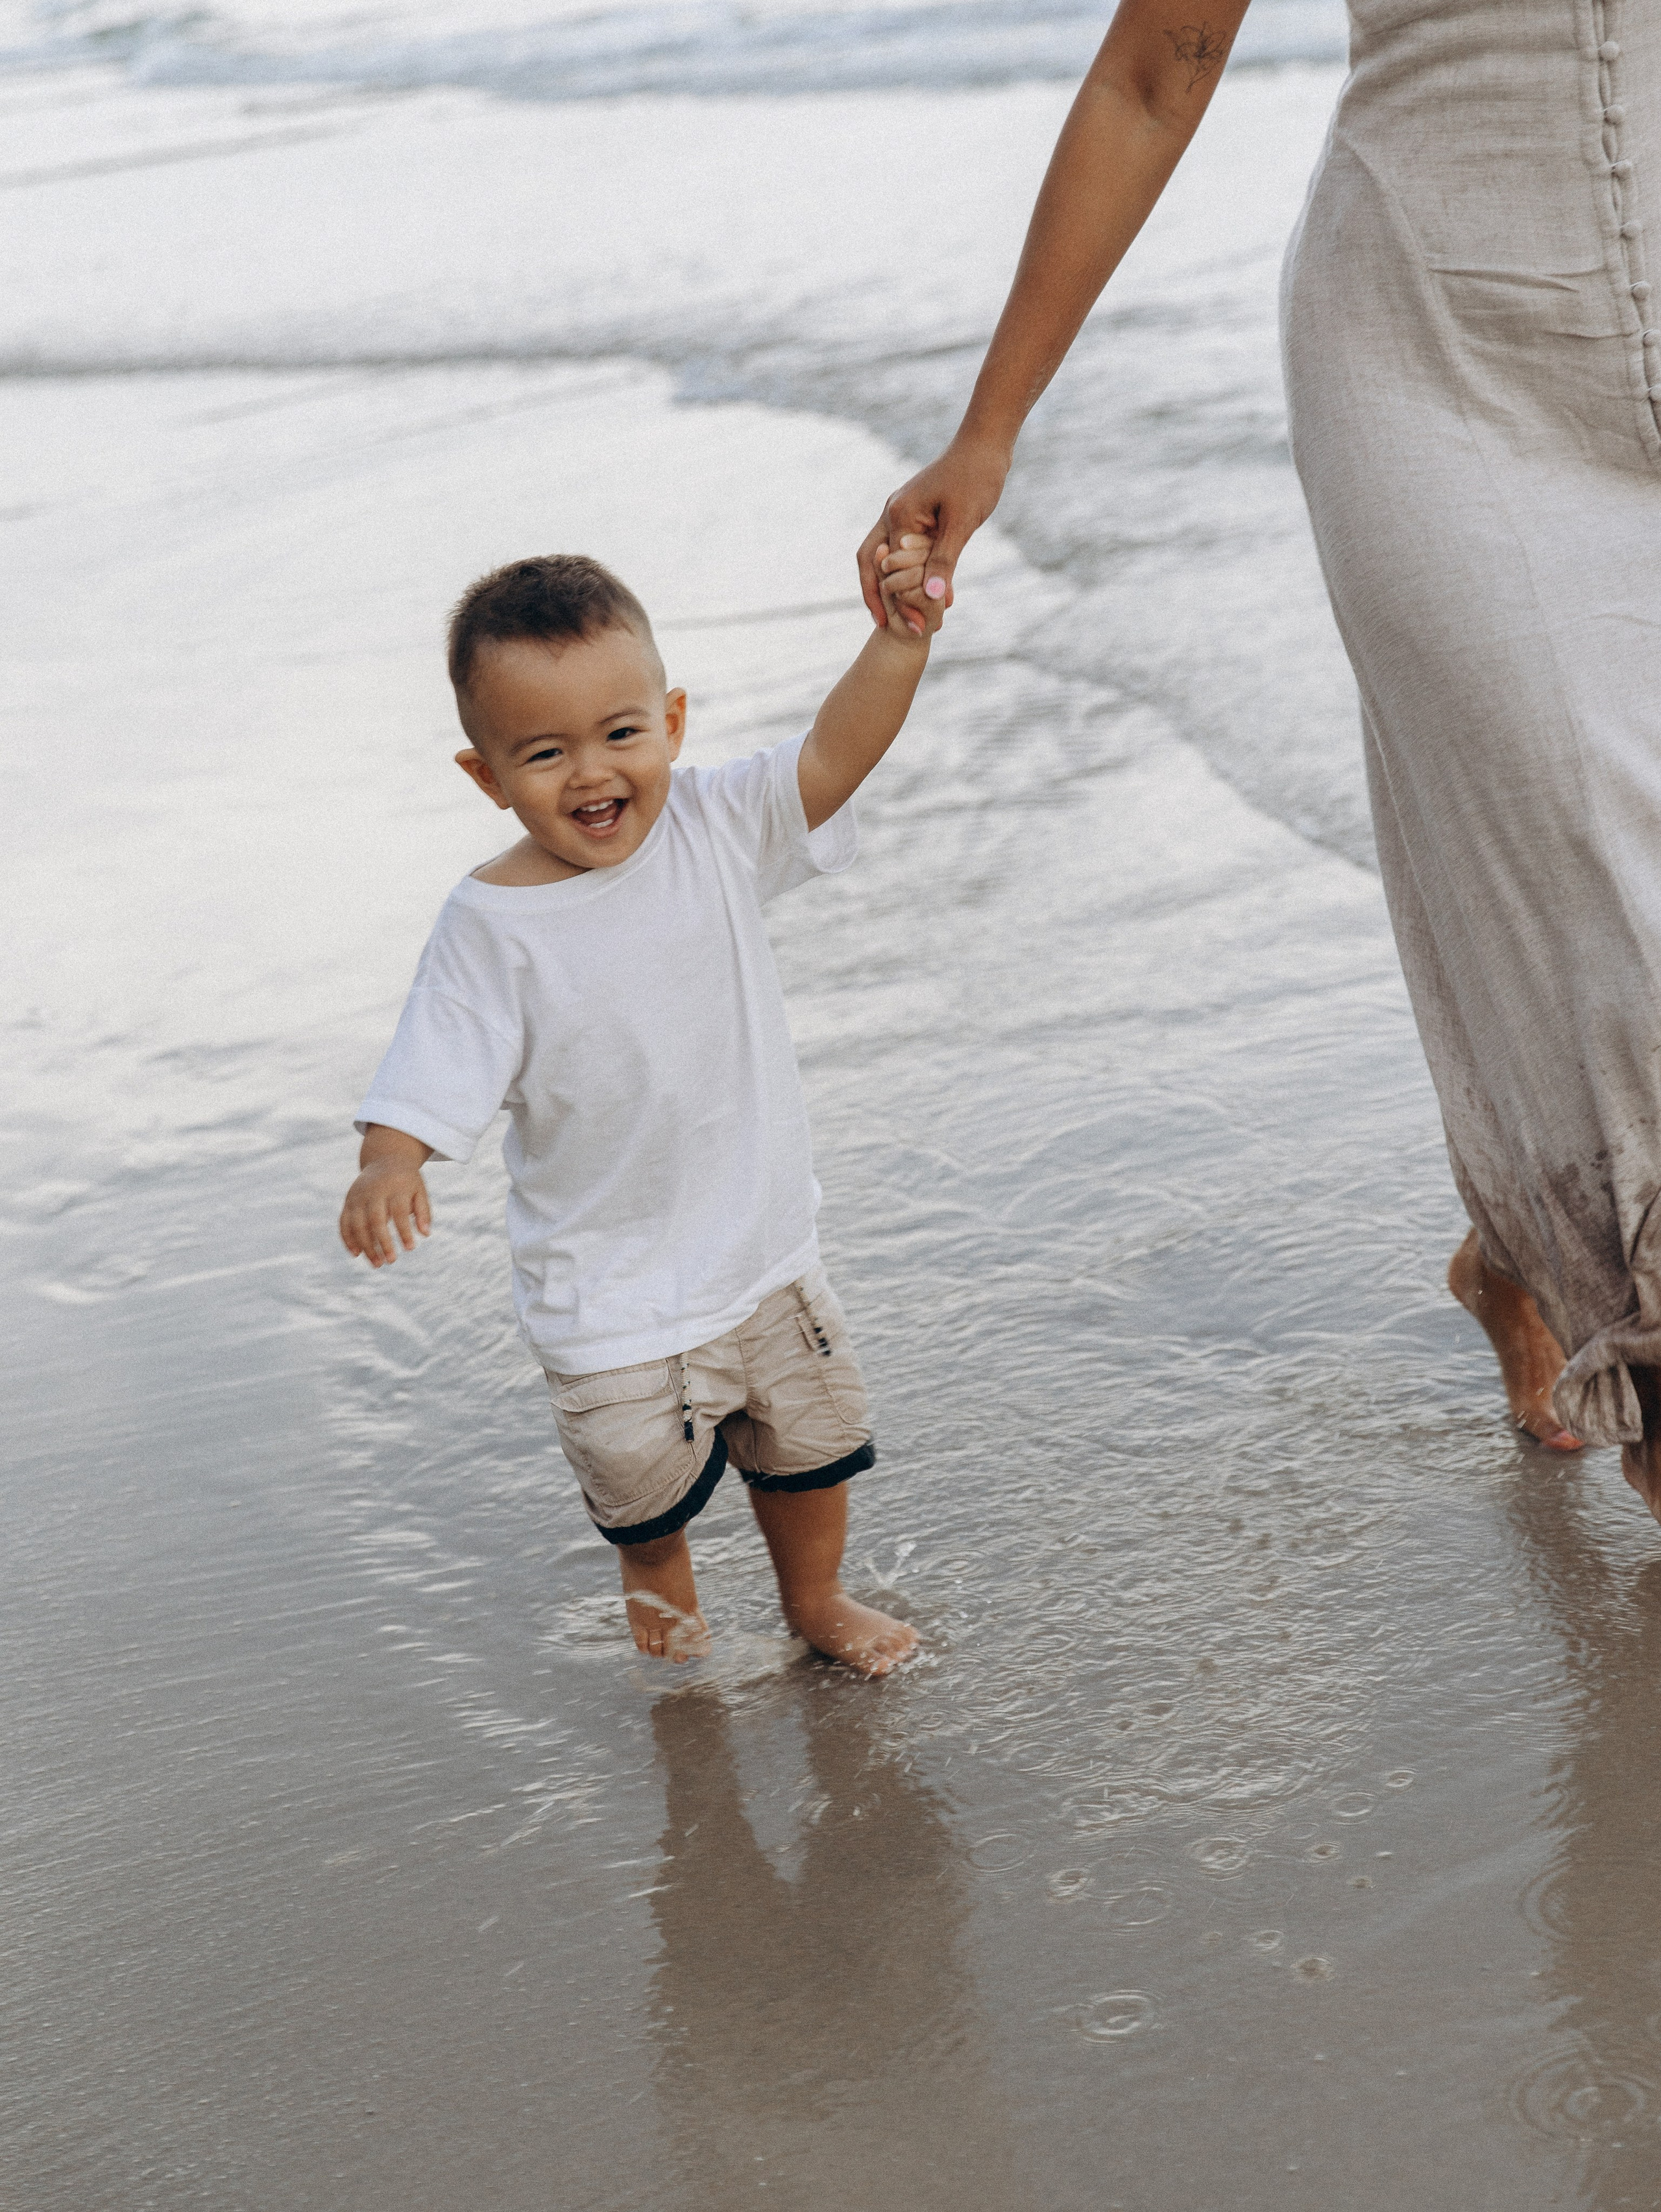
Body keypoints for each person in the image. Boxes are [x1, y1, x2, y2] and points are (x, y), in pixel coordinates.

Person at [862, 0, 1661, 1516]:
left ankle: (1517, 1246)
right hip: (1436, 365)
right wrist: (988, 430)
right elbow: (1152, 69)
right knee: (1612, 918)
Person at [339, 543, 941, 1671]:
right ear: (486, 775)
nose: (591, 774)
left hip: (761, 1250)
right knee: (647, 1512)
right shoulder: (490, 926)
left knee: (807, 1457)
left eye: (621, 733)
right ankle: (677, 1650)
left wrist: (899, 638)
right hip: (608, 1300)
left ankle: (816, 1602)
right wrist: (391, 1159)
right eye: (544, 752)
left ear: (671, 721)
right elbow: (430, 1061)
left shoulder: (716, 827)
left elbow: (836, 752)